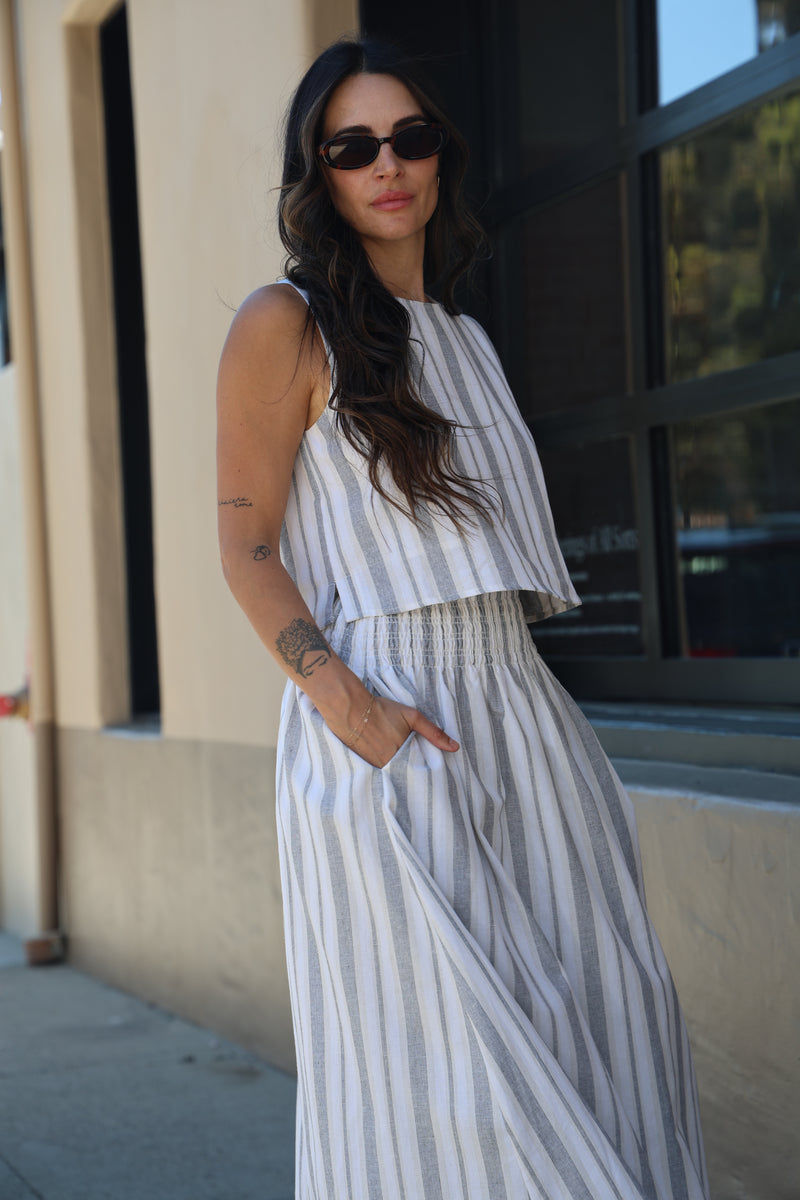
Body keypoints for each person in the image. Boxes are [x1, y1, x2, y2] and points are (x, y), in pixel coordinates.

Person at [216, 37, 709, 1200]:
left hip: (521, 713)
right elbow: (244, 550)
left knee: (607, 1031)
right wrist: (354, 712)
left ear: (439, 157)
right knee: (448, 1081)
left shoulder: (467, 341)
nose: (387, 165)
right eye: (352, 146)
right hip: (386, 722)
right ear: (318, 175)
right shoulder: (281, 323)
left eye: (410, 138)